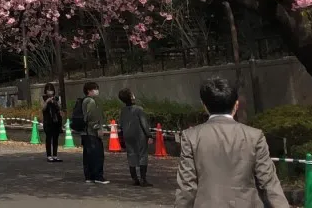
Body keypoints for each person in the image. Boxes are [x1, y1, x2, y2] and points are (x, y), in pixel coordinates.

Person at [175, 78, 287, 208]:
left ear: (204, 105)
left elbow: (187, 187)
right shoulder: (254, 136)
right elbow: (268, 182)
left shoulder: (191, 137)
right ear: (236, 104)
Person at [117, 88, 153, 186]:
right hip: (139, 135)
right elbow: (144, 123)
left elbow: (121, 124)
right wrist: (149, 135)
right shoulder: (138, 109)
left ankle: (134, 178)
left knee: (131, 155)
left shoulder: (123, 110)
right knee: (142, 155)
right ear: (131, 97)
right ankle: (143, 179)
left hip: (127, 135)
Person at [80, 82, 108, 184]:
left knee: (88, 156)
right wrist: (98, 129)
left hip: (84, 132)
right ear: (89, 91)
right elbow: (92, 119)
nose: (97, 91)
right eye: (95, 89)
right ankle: (98, 176)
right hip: (92, 133)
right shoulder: (91, 102)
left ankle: (89, 176)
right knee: (97, 154)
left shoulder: (83, 101)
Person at [41, 83, 63, 162]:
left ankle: (55, 155)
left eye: (51, 90)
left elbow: (60, 108)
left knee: (55, 138)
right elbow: (43, 109)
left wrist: (56, 102)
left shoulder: (56, 98)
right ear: (46, 91)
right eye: (48, 90)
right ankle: (49, 155)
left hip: (56, 121)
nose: (50, 92)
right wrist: (47, 102)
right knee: (49, 138)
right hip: (48, 121)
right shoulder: (43, 98)